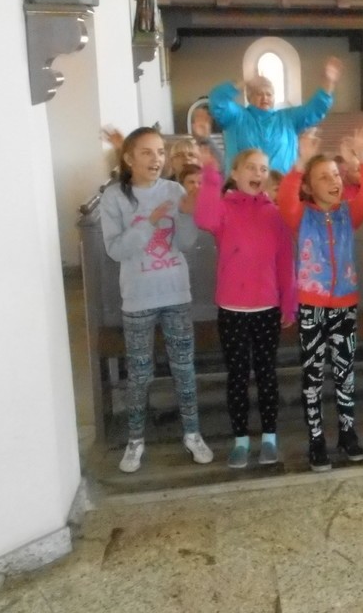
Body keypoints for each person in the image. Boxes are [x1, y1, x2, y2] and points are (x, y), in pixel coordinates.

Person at [99, 127, 213, 473]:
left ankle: (192, 434)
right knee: (139, 373)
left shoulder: (174, 190)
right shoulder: (114, 197)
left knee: (184, 368)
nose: (157, 159)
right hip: (138, 298)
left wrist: (188, 214)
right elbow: (116, 250)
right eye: (147, 152)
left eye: (161, 152)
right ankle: (135, 441)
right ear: (129, 158)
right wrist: (148, 222)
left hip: (176, 292)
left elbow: (185, 243)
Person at [277, 124, 363, 472]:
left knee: (345, 372)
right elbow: (285, 198)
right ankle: (316, 438)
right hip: (312, 307)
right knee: (313, 375)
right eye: (323, 177)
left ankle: (347, 432)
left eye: (336, 174)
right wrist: (299, 164)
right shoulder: (301, 215)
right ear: (309, 187)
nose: (334, 181)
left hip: (344, 305)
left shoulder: (348, 213)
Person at [194, 148, 296, 468]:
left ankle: (269, 438)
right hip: (232, 309)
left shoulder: (275, 214)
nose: (258, 174)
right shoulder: (224, 209)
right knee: (237, 376)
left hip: (267, 307)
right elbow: (204, 218)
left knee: (266, 374)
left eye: (263, 169)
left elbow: (284, 262)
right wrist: (210, 176)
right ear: (235, 174)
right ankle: (240, 440)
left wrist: (288, 302)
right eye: (251, 168)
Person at [208, 57, 343, 174]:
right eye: (259, 93)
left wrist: (328, 83)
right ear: (249, 97)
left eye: (269, 94)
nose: (265, 98)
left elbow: (316, 108)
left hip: (282, 188)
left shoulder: (288, 119)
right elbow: (217, 100)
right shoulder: (236, 117)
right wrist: (246, 81)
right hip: (243, 190)